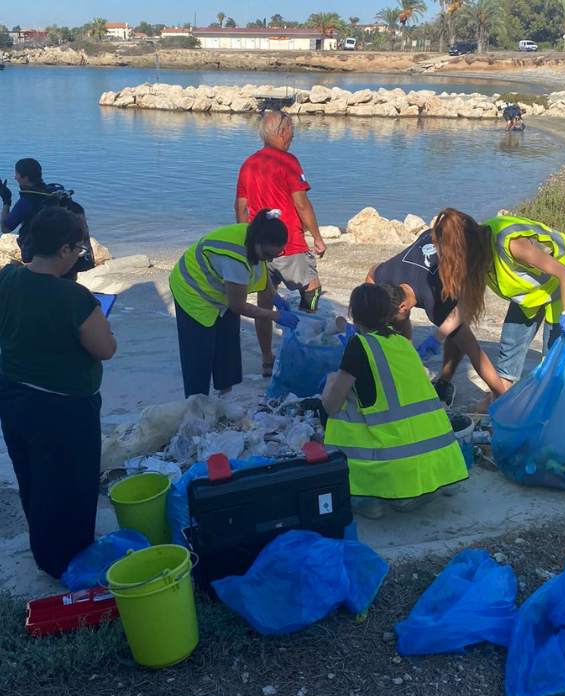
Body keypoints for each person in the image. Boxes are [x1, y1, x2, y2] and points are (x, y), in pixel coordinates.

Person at [0, 207, 117, 578]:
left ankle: (43, 546)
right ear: (67, 250)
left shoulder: (4, 279)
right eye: (77, 249)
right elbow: (105, 349)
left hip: (12, 393)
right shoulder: (74, 298)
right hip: (64, 406)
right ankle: (65, 560)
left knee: (32, 474)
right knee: (70, 482)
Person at [321, 283, 469, 520]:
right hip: (433, 460)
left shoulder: (359, 345)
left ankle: (366, 496)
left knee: (340, 408)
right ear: (389, 314)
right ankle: (409, 492)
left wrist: (331, 380)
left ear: (354, 315)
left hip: (391, 461)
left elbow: (331, 404)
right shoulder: (403, 343)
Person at [421, 208, 565, 400]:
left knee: (553, 356)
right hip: (532, 292)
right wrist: (436, 337)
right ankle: (501, 394)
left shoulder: (512, 244)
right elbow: (462, 307)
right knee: (510, 345)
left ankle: (551, 405)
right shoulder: (474, 257)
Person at [365, 222, 513, 408]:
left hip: (465, 252)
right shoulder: (384, 275)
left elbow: (475, 353)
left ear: (403, 307)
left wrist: (501, 396)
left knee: (457, 331)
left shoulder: (437, 304)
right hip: (432, 237)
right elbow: (371, 273)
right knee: (403, 325)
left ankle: (444, 381)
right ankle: (411, 364)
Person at [170, 211, 300, 398]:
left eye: (275, 255)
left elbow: (261, 269)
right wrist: (276, 316)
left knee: (228, 343)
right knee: (199, 350)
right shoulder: (235, 258)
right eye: (267, 254)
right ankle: (196, 403)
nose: (270, 260)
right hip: (192, 291)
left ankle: (225, 396)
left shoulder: (257, 237)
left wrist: (275, 297)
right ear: (256, 242)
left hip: (220, 292)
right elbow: (238, 306)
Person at [235, 111, 326, 373]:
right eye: (292, 132)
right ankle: (302, 348)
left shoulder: (248, 164)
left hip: (260, 247)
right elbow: (302, 203)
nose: (293, 137)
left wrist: (248, 242)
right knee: (312, 289)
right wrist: (317, 238)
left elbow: (241, 208)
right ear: (282, 131)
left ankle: (267, 359)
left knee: (265, 302)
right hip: (289, 244)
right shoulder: (288, 162)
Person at [0, 158, 93, 279]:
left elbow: (5, 228)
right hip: (66, 258)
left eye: (17, 174)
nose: (15, 177)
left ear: (25, 178)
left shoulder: (28, 201)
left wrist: (6, 201)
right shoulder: (53, 194)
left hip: (43, 261)